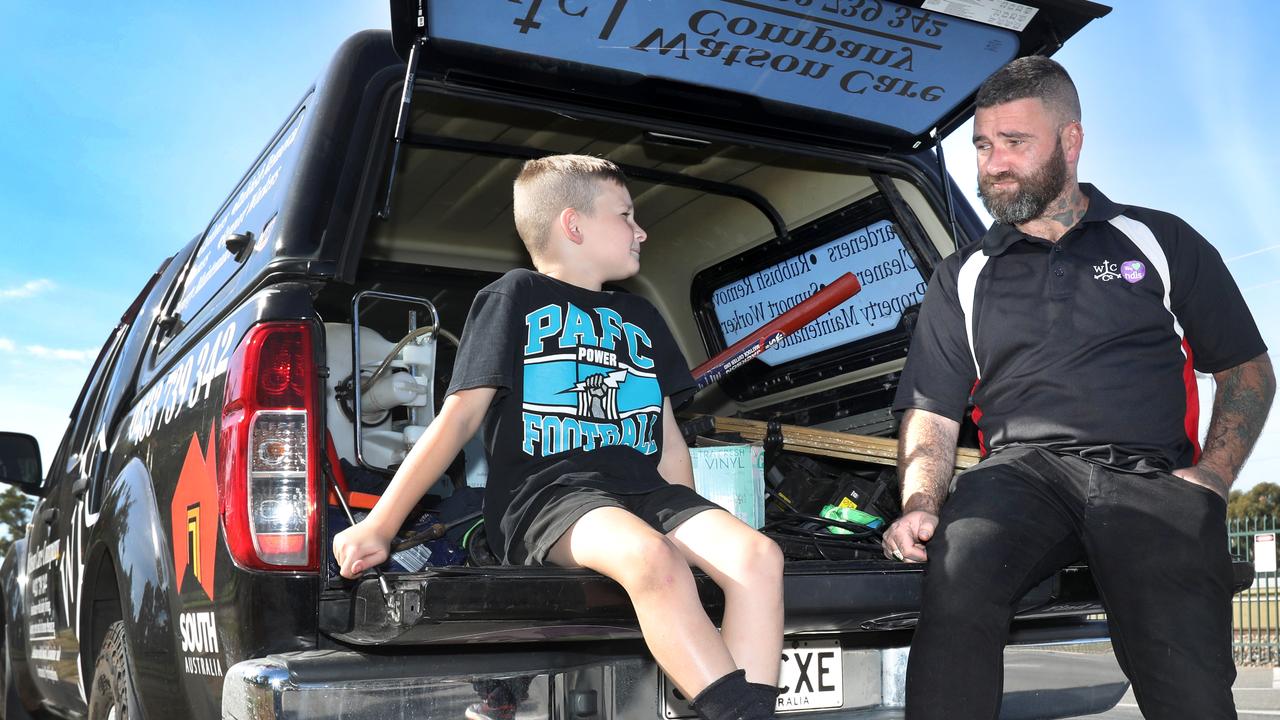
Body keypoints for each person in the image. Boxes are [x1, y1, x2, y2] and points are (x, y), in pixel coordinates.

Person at [881, 56, 1275, 720]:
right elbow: (933, 411)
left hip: (1150, 478)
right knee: (959, 568)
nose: (993, 164)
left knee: (1188, 676)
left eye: (1015, 143)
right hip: (1020, 476)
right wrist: (921, 502)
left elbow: (1246, 370)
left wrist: (1214, 475)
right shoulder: (963, 275)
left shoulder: (1158, 239)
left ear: (1071, 141)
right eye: (982, 146)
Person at [333, 155, 784, 720]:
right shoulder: (514, 295)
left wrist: (687, 523)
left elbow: (667, 439)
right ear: (573, 225)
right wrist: (380, 524)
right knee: (648, 555)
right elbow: (459, 418)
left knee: (759, 556)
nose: (641, 230)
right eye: (625, 215)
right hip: (551, 496)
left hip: (646, 492)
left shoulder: (640, 314)